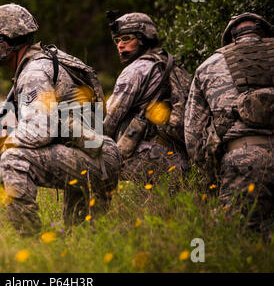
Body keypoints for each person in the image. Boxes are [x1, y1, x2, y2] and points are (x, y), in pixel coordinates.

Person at [0, 3, 120, 235]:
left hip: (94, 156)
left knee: (13, 159)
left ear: (11, 40)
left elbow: (40, 130)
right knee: (81, 238)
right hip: (95, 154)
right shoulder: (43, 61)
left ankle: (29, 243)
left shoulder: (34, 72)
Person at [185, 12, 274, 234]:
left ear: (230, 38)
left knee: (242, 239)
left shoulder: (208, 66)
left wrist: (211, 176)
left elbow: (192, 136)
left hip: (243, 160)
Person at [103, 12, 190, 184]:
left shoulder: (136, 70)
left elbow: (110, 123)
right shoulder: (171, 66)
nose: (120, 45)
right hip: (181, 159)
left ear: (143, 38)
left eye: (126, 39)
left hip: (151, 157)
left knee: (87, 163)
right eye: (117, 40)